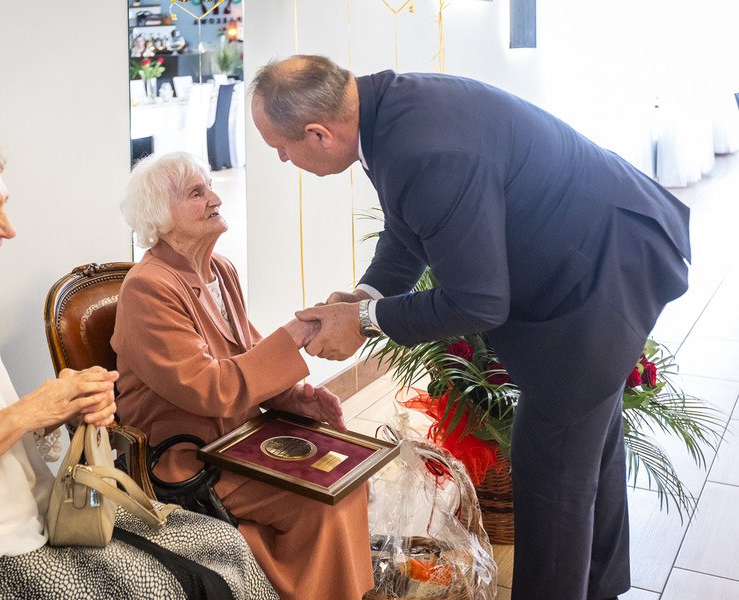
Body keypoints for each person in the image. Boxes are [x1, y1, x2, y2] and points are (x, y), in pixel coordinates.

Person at [250, 55, 691, 600]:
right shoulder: (389, 112)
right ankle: (600, 587)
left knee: (551, 462)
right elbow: (408, 224)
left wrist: (363, 321)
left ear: (319, 133)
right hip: (603, 247)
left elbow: (480, 302)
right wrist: (366, 296)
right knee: (586, 443)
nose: (281, 157)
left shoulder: (421, 147)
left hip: (602, 270)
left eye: (281, 146)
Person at [0, 128, 278, 600]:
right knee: (165, 587)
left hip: (25, 516)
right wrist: (28, 412)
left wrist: (61, 408)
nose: (8, 229)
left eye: (2, 207)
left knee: (220, 544)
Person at [112, 151, 374, 600]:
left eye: (210, 186)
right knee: (323, 500)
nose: (216, 197)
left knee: (350, 475)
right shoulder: (148, 286)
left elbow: (248, 354)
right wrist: (298, 331)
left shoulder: (220, 268)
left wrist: (294, 398)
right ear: (160, 215)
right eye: (198, 193)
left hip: (240, 438)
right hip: (189, 456)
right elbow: (210, 389)